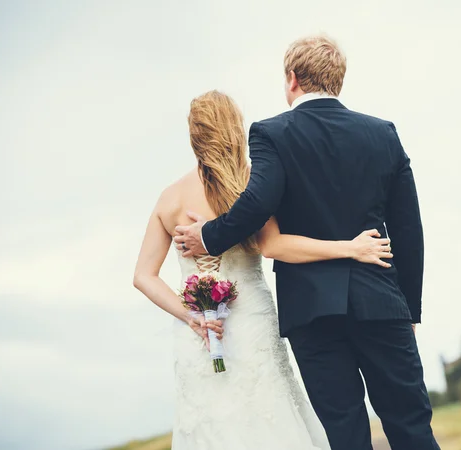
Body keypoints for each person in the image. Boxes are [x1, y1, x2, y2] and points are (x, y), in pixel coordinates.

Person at [174, 35, 440, 450]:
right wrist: (411, 308)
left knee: (346, 434)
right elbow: (409, 229)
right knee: (411, 427)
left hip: (312, 311)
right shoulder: (382, 133)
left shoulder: (272, 133)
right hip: (382, 302)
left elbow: (256, 203)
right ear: (338, 81)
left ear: (292, 79)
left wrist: (208, 236)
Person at [133, 90, 392, 449]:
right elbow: (274, 246)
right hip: (251, 319)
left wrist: (191, 314)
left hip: (198, 333)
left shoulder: (170, 197)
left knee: (211, 422)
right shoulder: (251, 185)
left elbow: (143, 276)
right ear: (235, 129)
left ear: (194, 135)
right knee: (271, 415)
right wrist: (350, 248)